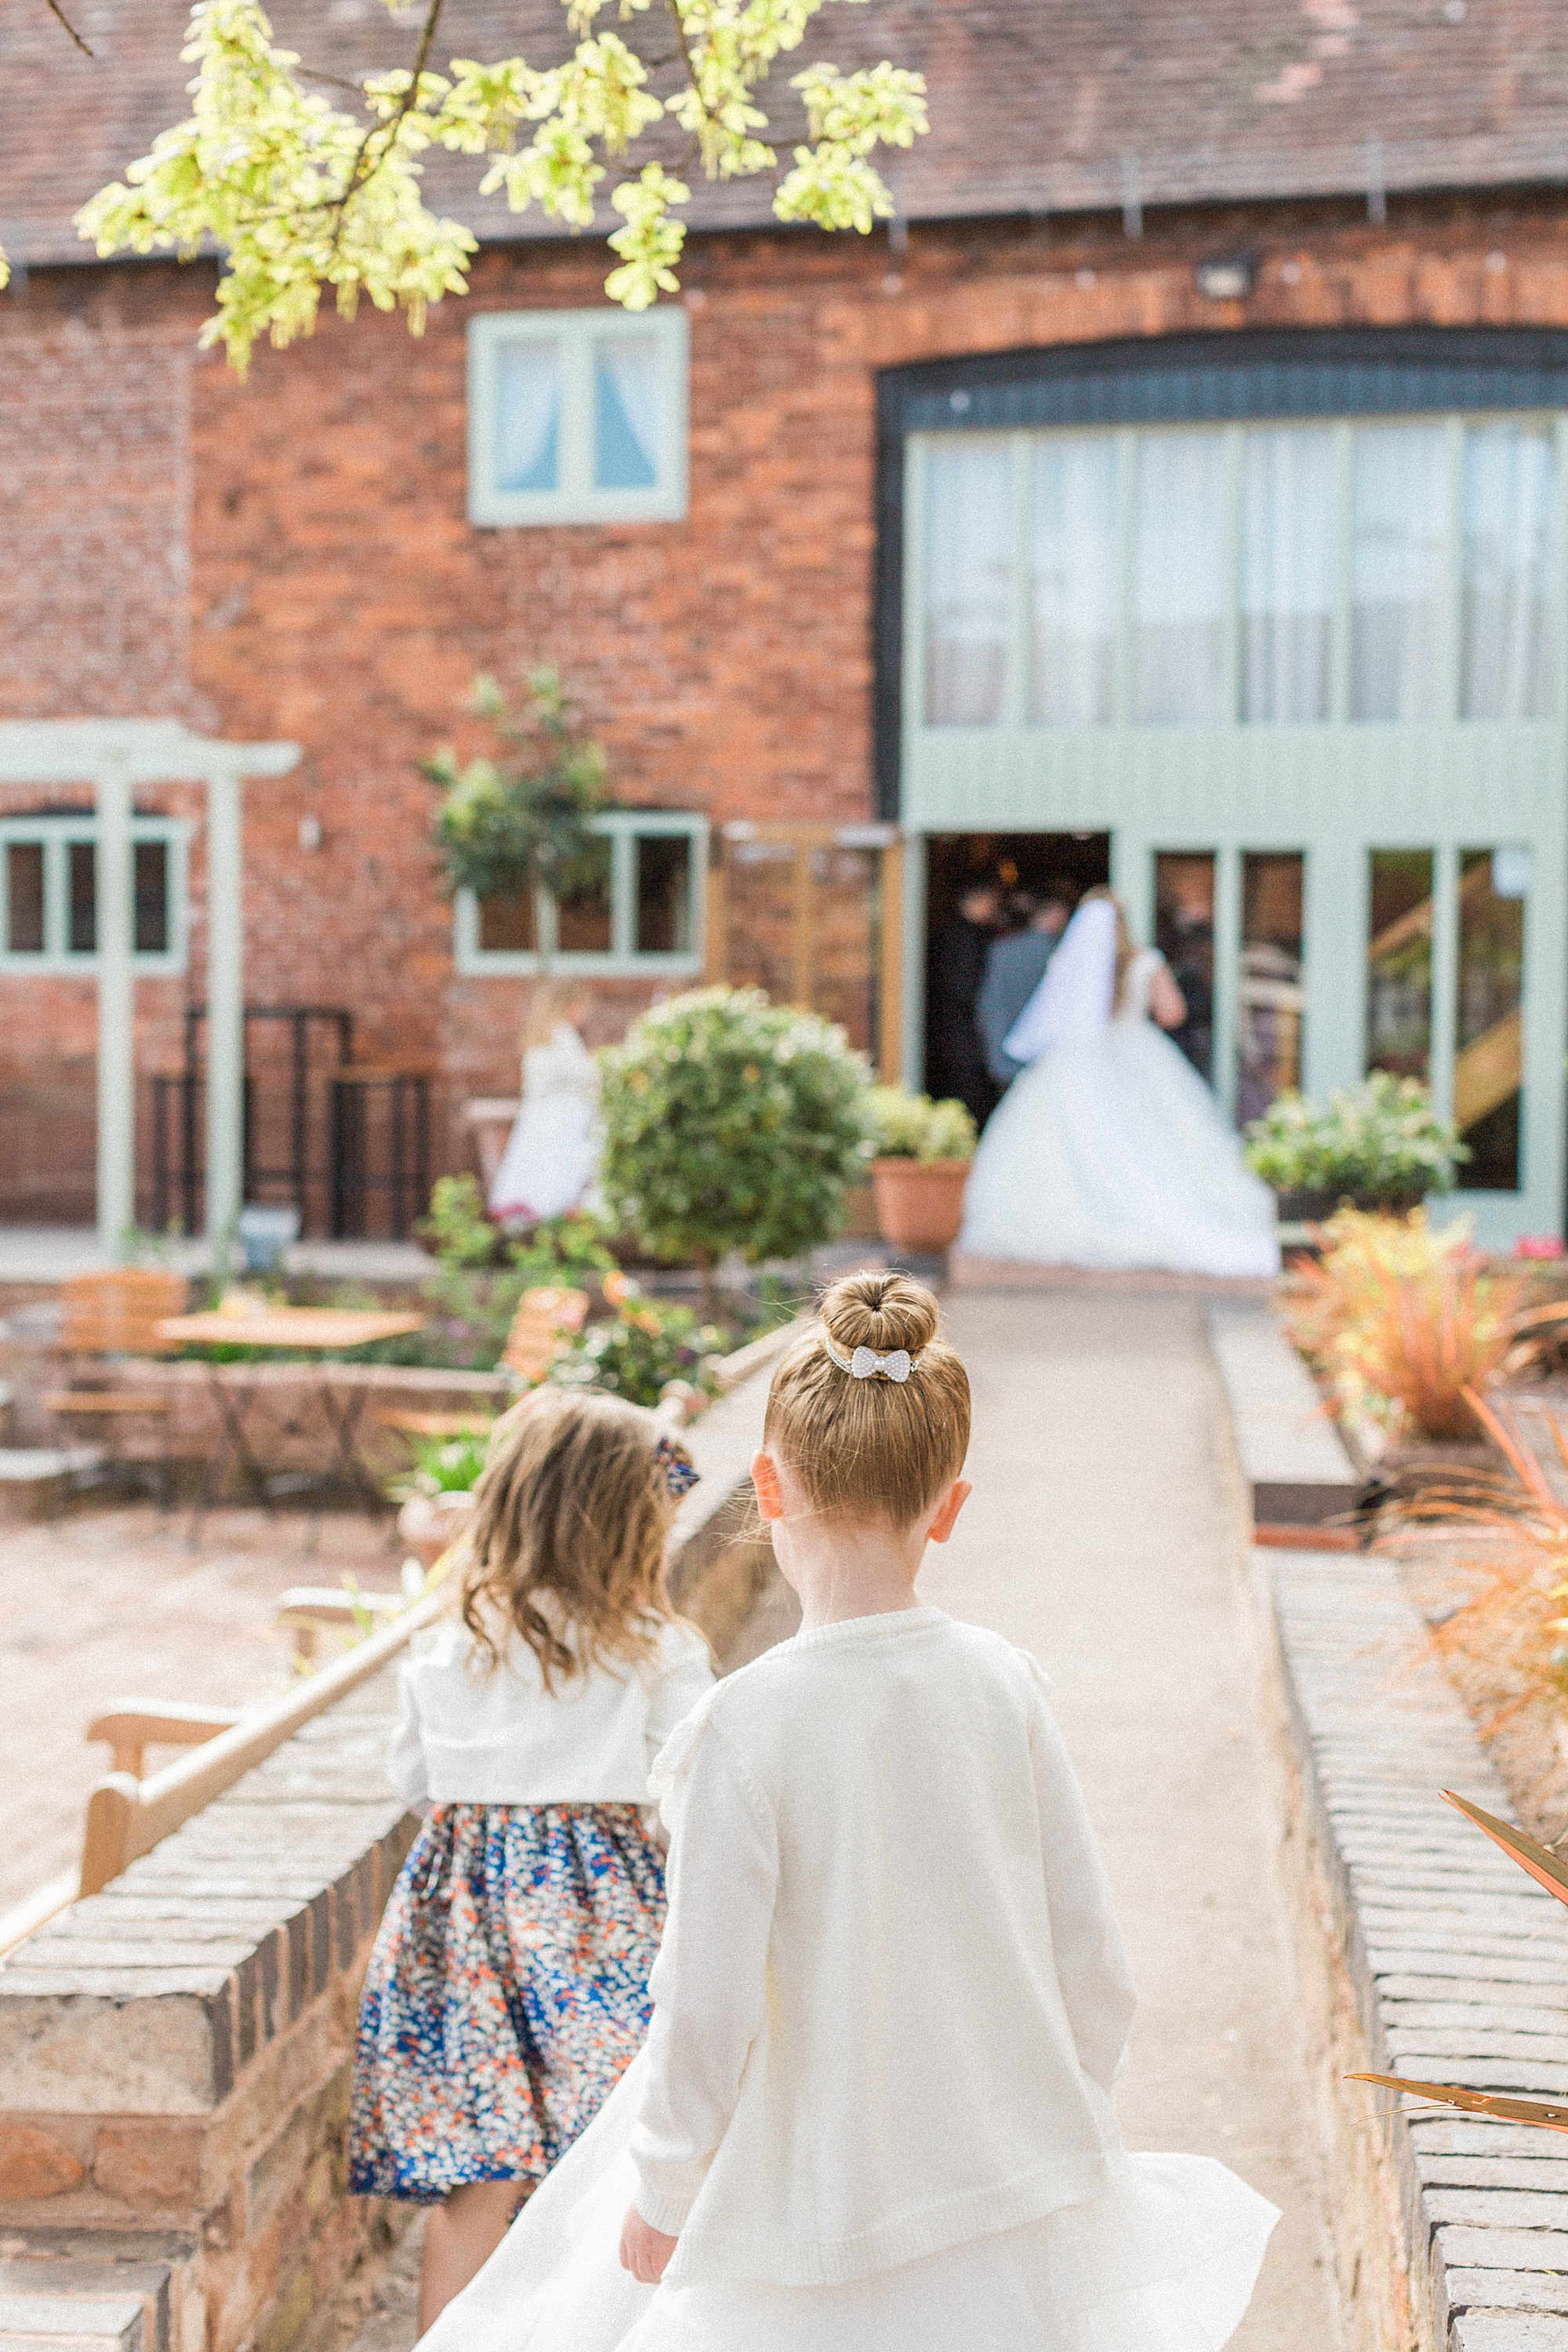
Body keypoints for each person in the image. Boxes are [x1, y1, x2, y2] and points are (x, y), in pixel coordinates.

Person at [421, 1271, 1279, 2352]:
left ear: (767, 1488)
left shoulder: (745, 1726)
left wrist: (663, 2188)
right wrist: (1057, 2118)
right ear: (951, 1504)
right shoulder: (1005, 1683)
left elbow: (706, 2006)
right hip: (1004, 2188)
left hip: (804, 2221)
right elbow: (1094, 1962)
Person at [347, 1389, 713, 2335]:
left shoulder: (449, 1644)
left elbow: (414, 1781)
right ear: (631, 1526)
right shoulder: (654, 1650)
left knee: (480, 2185)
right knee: (615, 2160)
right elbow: (697, 1786)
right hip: (603, 1937)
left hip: (461, 1936)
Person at [960, 890, 1281, 1276]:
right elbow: (1172, 1014)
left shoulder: (1070, 961)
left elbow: (1055, 1017)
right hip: (1139, 1053)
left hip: (1076, 1062)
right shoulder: (1145, 961)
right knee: (1160, 1147)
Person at [489, 994, 601, 1227]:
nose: (586, 1012)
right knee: (557, 1177)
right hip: (563, 1120)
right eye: (583, 1005)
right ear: (569, 1005)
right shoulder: (562, 1035)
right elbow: (585, 1075)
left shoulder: (541, 1037)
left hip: (537, 1119)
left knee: (536, 1175)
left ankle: (531, 1224)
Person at [976, 880, 1075, 1091]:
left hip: (1007, 1058)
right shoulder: (1065, 955)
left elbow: (990, 1007)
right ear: (1057, 913)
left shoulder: (1003, 950)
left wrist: (997, 1060)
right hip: (1052, 1064)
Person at [924, 881, 1002, 1127]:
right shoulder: (970, 938)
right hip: (963, 1032)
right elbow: (966, 989)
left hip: (947, 1029)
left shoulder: (948, 934)